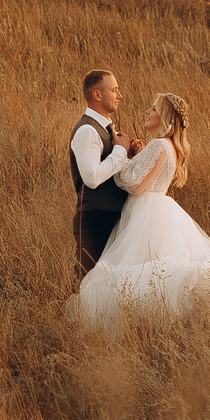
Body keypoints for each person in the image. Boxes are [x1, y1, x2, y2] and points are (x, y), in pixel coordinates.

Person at [70, 92, 210, 322]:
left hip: (147, 212)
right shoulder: (168, 146)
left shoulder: (158, 145)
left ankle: (147, 321)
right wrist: (136, 156)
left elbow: (136, 185)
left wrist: (122, 155)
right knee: (154, 270)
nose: (147, 112)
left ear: (165, 116)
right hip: (159, 209)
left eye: (153, 109)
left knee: (146, 270)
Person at [68, 68, 136, 278]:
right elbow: (92, 178)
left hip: (112, 217)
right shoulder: (87, 130)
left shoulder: (106, 129)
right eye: (114, 90)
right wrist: (120, 151)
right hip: (95, 220)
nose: (120, 95)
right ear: (97, 95)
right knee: (88, 283)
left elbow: (109, 171)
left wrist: (128, 157)